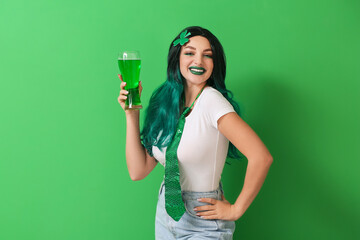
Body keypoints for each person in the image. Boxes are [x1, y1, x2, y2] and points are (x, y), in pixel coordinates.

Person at [117, 26, 273, 239]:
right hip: (165, 214)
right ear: (177, 59)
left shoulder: (212, 101)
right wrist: (131, 114)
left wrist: (236, 209)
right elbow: (138, 171)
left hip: (203, 218)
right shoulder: (165, 102)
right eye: (189, 53)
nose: (198, 61)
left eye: (207, 55)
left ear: (214, 64)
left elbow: (261, 157)